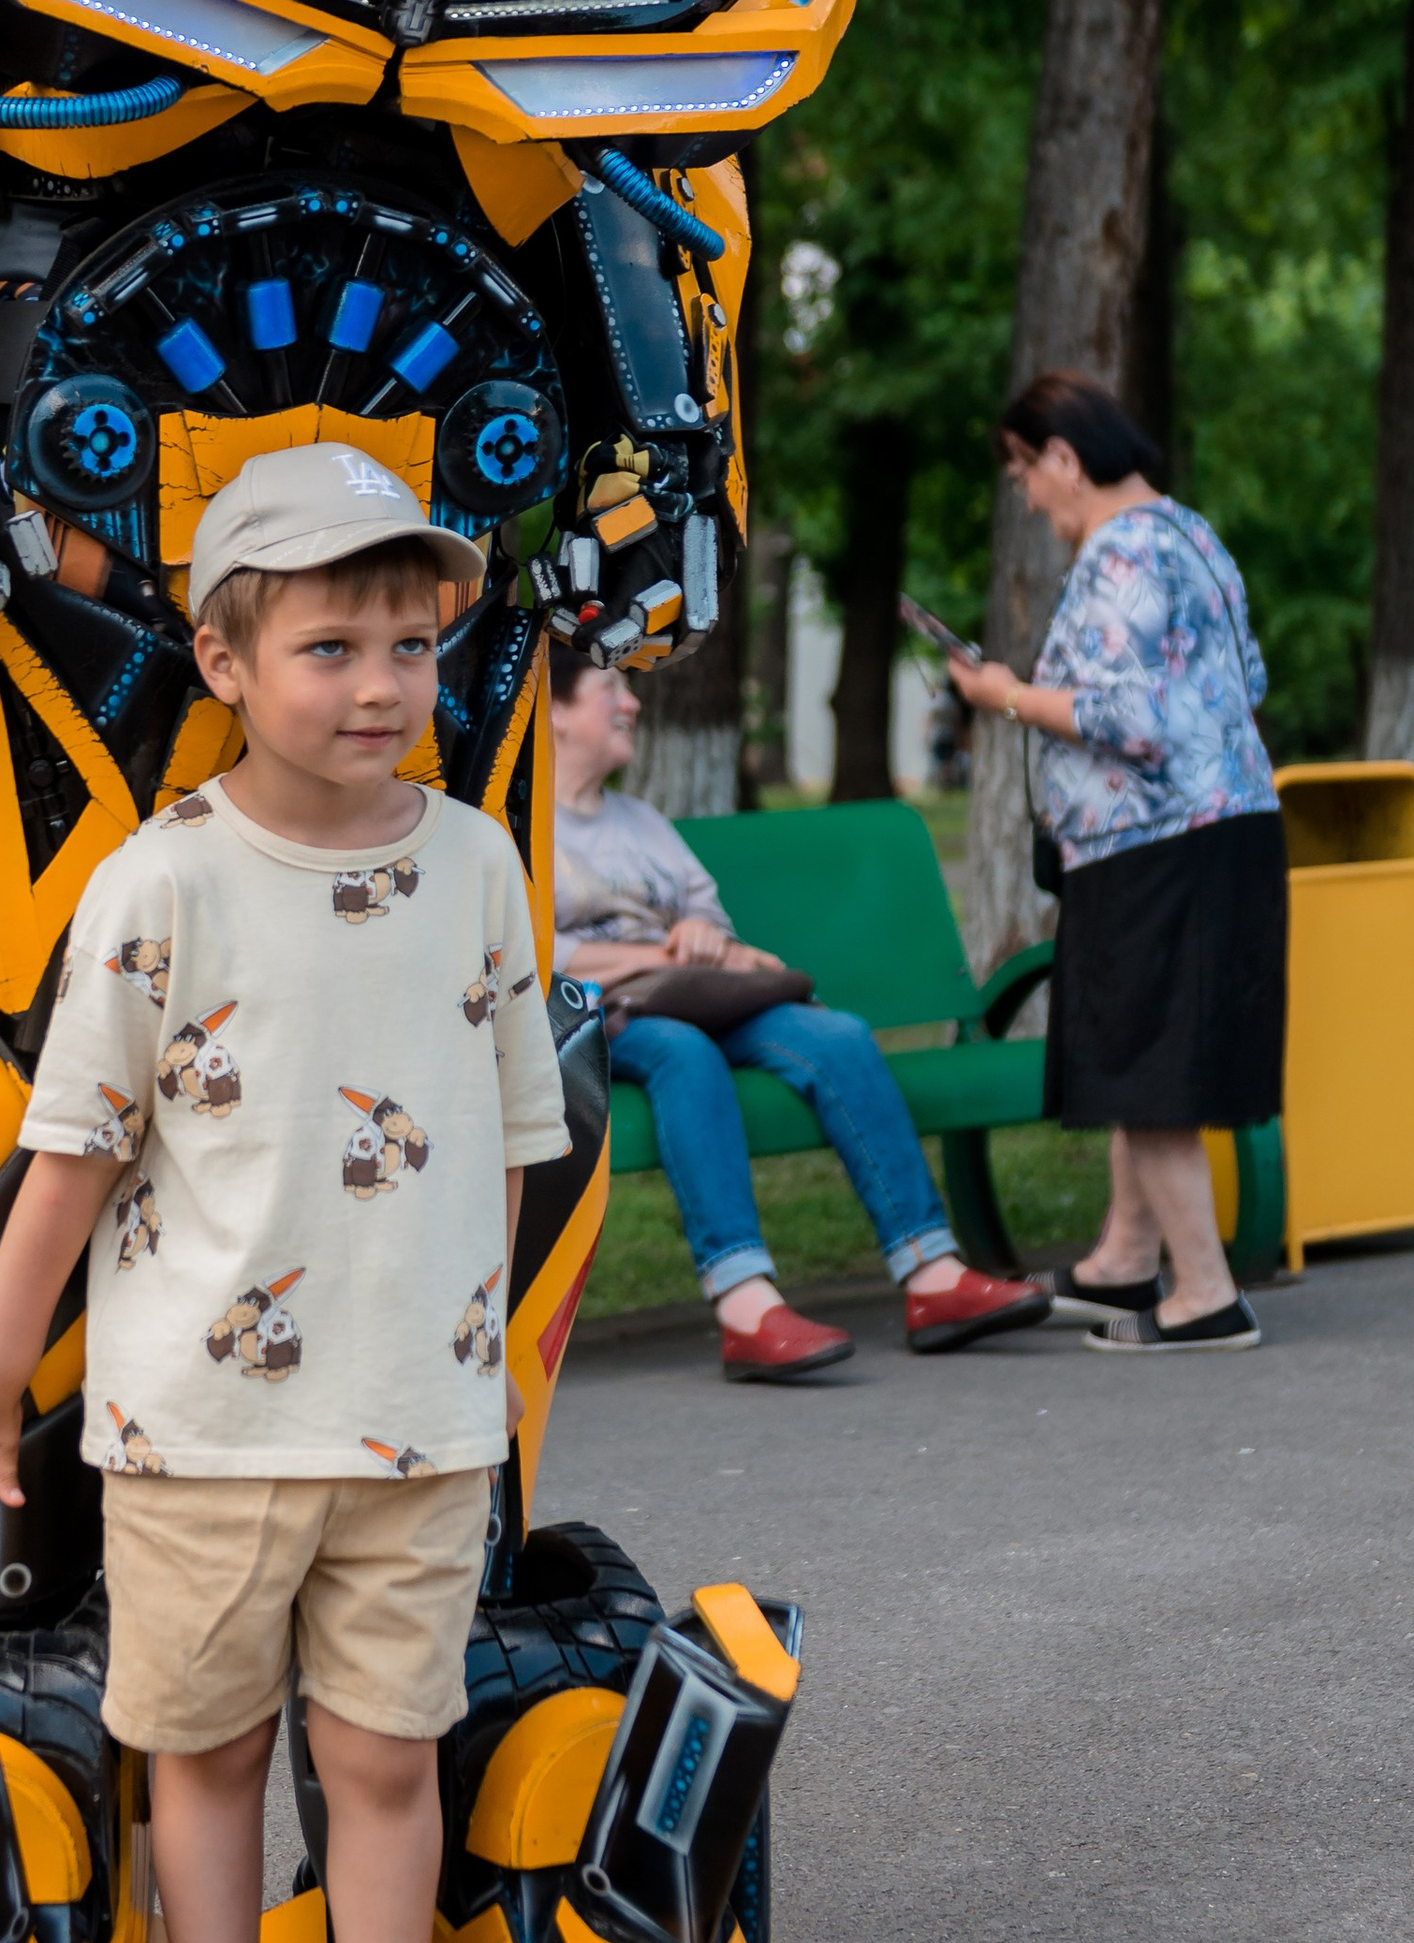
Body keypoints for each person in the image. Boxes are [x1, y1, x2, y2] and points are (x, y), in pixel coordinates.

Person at [0, 444, 571, 1943]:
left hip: (415, 1429)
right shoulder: (158, 884)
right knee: (209, 1750)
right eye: (333, 646)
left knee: (383, 1757)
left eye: (413, 647)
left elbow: (515, 1136)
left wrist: (476, 1373)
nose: (380, 686)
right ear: (224, 661)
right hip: (201, 1427)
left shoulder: (479, 864)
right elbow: (78, 1145)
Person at [549, 648, 1047, 1371]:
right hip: (607, 1014)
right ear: (555, 712)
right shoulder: (522, 826)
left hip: (698, 994)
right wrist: (663, 955)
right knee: (684, 1054)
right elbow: (535, 952)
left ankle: (932, 1273)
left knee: (836, 1034)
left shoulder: (642, 820)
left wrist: (700, 939)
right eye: (608, 690)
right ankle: (745, 1304)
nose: (630, 704)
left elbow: (712, 921)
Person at [947, 372, 1283, 1352]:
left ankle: (1205, 1295)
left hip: (1153, 844)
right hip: (1222, 826)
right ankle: (1125, 1263)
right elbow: (1245, 677)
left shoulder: (1117, 551)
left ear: (1061, 455)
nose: (1025, 494)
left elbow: (1126, 718)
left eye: (1021, 471)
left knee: (1147, 1063)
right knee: (1147, 1049)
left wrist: (1004, 693)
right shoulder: (1189, 533)